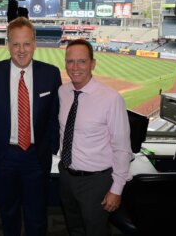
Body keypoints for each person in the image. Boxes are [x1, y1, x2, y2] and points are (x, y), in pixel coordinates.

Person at [0, 17, 62, 236]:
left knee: (37, 215)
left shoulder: (51, 74)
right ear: (8, 44)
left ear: (34, 43)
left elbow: (54, 115)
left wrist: (49, 148)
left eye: (26, 44)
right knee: (8, 213)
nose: (21, 50)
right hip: (3, 157)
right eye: (15, 44)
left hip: (36, 157)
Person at [58, 39, 133, 236]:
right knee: (74, 227)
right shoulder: (63, 92)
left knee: (95, 230)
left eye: (82, 61)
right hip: (66, 176)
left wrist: (116, 189)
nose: (75, 67)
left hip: (96, 182)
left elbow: (122, 148)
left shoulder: (111, 99)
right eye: (70, 61)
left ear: (93, 63)